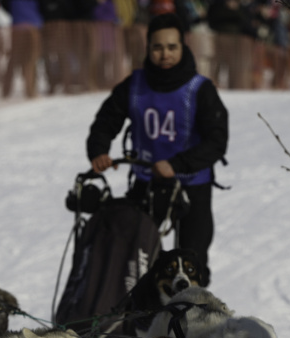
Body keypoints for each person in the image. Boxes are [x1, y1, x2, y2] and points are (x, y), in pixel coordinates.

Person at [86, 11, 228, 271]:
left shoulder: (200, 89)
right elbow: (106, 120)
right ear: (148, 48)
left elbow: (217, 140)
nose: (165, 55)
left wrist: (177, 164)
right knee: (135, 258)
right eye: (158, 48)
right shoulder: (135, 85)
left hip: (192, 185)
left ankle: (190, 310)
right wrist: (99, 150)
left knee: (192, 263)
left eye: (172, 47)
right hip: (147, 183)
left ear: (183, 46)